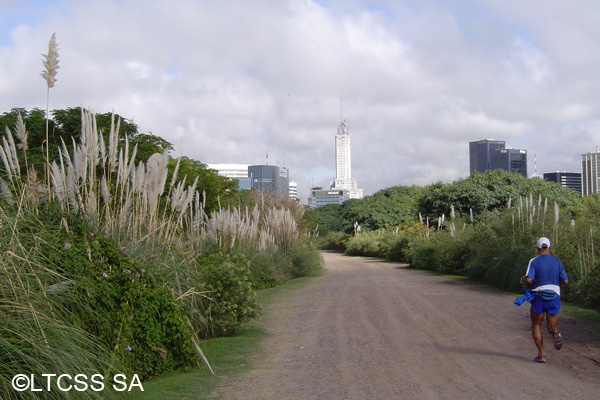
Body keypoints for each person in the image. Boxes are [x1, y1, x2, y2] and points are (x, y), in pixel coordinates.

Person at [524, 237, 569, 363]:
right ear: (550, 247)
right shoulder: (557, 262)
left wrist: (529, 286)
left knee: (536, 324)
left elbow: (528, 279)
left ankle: (542, 354)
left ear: (537, 248)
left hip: (539, 295)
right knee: (551, 325)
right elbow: (565, 280)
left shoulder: (534, 261)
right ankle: (555, 332)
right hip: (554, 294)